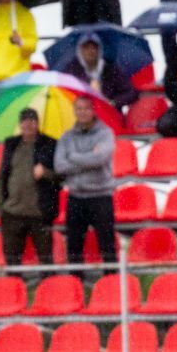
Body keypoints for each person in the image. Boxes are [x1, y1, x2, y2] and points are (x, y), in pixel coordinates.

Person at [54, 96, 117, 274]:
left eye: (86, 108)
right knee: (74, 248)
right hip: (75, 197)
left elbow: (100, 159)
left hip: (101, 197)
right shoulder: (66, 137)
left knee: (107, 246)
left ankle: (112, 289)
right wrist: (89, 158)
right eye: (78, 109)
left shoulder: (105, 134)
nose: (82, 112)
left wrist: (73, 157)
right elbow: (59, 166)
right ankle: (76, 289)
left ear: (93, 110)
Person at [0, 109, 60, 267]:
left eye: (32, 120)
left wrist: (46, 173)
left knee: (46, 261)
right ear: (20, 124)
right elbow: (2, 176)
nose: (28, 124)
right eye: (25, 120)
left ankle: (48, 290)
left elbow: (61, 176)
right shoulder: (11, 144)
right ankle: (14, 291)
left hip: (40, 213)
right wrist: (2, 206)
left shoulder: (50, 144)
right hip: (12, 213)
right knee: (12, 262)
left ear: (38, 123)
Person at [61, 33, 139, 109]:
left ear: (99, 50)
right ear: (79, 50)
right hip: (81, 117)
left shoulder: (111, 69)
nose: (90, 51)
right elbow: (64, 93)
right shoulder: (71, 70)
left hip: (109, 116)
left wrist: (113, 103)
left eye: (94, 47)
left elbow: (130, 93)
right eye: (86, 47)